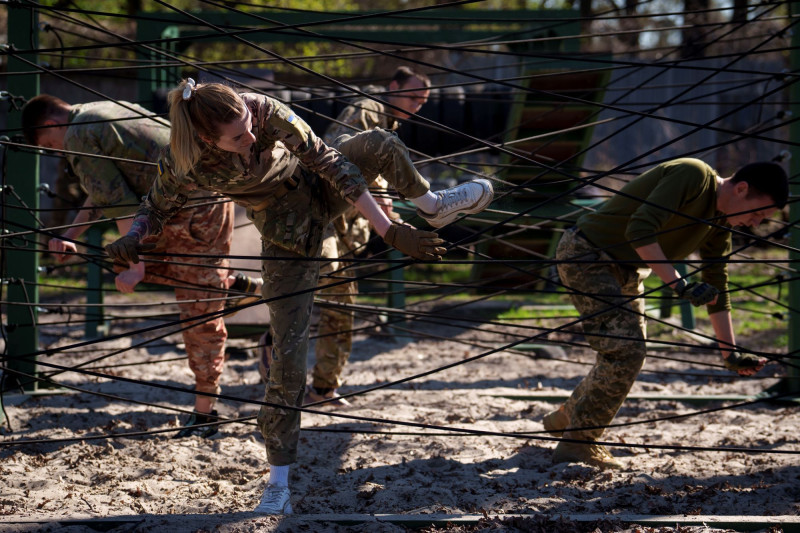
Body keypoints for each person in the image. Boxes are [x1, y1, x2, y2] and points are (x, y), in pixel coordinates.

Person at [104, 79, 493, 515]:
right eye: (237, 136)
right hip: (286, 235)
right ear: (207, 139)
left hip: (322, 187)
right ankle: (278, 483)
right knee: (288, 358)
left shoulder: (263, 111)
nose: (250, 136)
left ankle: (433, 203)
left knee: (379, 142)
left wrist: (389, 229)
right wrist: (134, 238)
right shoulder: (187, 160)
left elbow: (329, 160)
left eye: (248, 124)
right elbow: (155, 207)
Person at [21, 94, 262, 439]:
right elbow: (104, 189)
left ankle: (206, 414)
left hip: (189, 209)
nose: (57, 151)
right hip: (201, 198)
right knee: (195, 287)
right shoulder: (102, 110)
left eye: (49, 143)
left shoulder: (77, 136)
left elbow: (118, 203)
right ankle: (237, 288)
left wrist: (134, 264)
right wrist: (72, 233)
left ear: (50, 125)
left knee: (198, 310)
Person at [545, 158, 788, 469]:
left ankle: (568, 417)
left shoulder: (721, 223)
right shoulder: (693, 175)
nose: (755, 224)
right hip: (586, 254)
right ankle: (579, 443)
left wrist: (730, 353)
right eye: (756, 214)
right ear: (741, 189)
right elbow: (640, 229)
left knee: (627, 353)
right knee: (626, 352)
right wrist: (680, 285)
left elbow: (716, 283)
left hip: (627, 269)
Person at [301, 66, 432, 406]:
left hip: (339, 228)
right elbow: (338, 149)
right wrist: (382, 194)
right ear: (392, 86)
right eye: (413, 96)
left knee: (334, 303)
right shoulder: (367, 109)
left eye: (423, 100)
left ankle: (321, 387)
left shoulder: (388, 120)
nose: (417, 104)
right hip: (322, 222)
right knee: (334, 303)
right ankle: (317, 385)